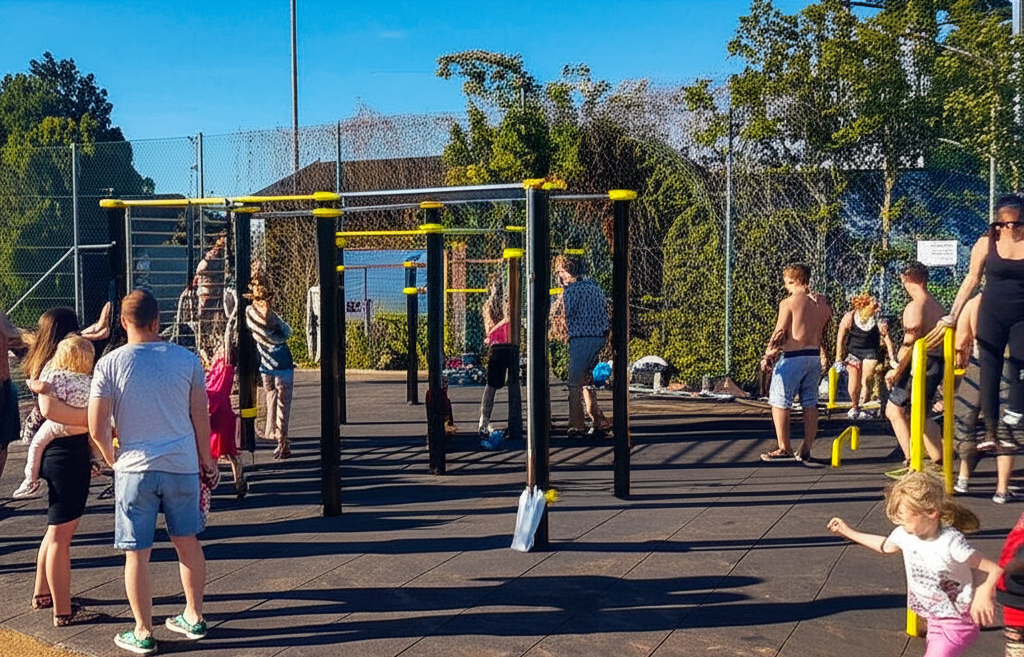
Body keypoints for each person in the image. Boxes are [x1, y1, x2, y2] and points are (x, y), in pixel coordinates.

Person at [89, 290, 217, 655]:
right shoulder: (187, 360)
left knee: (137, 554)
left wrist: (113, 460)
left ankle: (142, 631)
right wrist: (206, 460)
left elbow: (97, 428)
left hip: (134, 467)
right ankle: (193, 616)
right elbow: (200, 417)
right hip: (181, 465)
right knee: (188, 543)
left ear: (123, 322)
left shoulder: (109, 364)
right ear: (157, 320)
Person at [828, 471, 1000, 657]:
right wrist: (847, 531)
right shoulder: (905, 534)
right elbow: (884, 546)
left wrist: (984, 595)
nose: (901, 523)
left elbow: (992, 569)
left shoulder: (950, 543)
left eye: (905, 516)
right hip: (933, 618)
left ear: (931, 513)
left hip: (957, 621)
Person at [20, 306, 107, 627]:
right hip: (65, 457)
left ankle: (42, 593)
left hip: (58, 453)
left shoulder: (46, 361)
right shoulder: (58, 368)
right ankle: (63, 611)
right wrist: (98, 423)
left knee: (54, 530)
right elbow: (55, 411)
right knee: (61, 537)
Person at [947, 194, 1024, 453]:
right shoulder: (986, 243)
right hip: (992, 312)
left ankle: (1014, 413)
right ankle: (991, 431)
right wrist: (954, 314)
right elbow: (971, 279)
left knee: (1019, 363)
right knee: (989, 371)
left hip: (1021, 315)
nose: (1010, 228)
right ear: (997, 223)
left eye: (1015, 223)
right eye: (1004, 223)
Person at [759, 262, 832, 462]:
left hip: (793, 356)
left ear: (796, 281)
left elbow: (780, 332)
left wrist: (768, 355)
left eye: (788, 283)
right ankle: (807, 446)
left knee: (780, 401)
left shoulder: (788, 303)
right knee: (810, 402)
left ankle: (784, 447)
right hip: (813, 356)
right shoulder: (822, 303)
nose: (786, 287)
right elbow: (826, 332)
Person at [953, 292, 1019, 503]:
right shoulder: (1016, 302)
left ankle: (963, 478)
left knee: (967, 420)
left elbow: (961, 340)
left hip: (980, 361)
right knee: (1006, 426)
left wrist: (960, 366)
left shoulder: (973, 303)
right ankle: (1001, 489)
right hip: (1010, 362)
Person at [884, 262, 946, 476]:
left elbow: (910, 342)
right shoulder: (936, 306)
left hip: (919, 363)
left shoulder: (915, 306)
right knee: (923, 411)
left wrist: (896, 369)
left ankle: (912, 458)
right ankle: (938, 459)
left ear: (905, 279)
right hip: (936, 362)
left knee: (893, 409)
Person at [13, 335, 94, 499]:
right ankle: (96, 463)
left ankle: (30, 480)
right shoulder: (89, 379)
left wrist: (30, 382)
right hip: (85, 424)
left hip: (61, 423)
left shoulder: (57, 375)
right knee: (92, 442)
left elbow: (42, 387)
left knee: (37, 444)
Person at [550, 254, 611, 438]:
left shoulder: (571, 291)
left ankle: (577, 425)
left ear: (568, 272)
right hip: (598, 336)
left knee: (574, 382)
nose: (560, 276)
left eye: (561, 271)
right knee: (587, 382)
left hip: (581, 338)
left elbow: (561, 314)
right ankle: (598, 419)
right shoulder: (594, 287)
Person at [244, 271, 296, 459]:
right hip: (280, 359)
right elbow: (286, 331)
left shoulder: (251, 313)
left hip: (269, 362)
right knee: (281, 401)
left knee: (272, 397)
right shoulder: (272, 317)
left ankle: (277, 436)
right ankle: (282, 439)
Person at [834, 293, 896, 419]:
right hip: (853, 351)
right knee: (853, 381)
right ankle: (855, 405)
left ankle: (862, 405)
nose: (877, 309)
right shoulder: (850, 316)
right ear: (865, 305)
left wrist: (892, 358)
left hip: (870, 351)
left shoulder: (877, 319)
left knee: (865, 380)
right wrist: (838, 357)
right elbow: (840, 337)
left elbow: (887, 338)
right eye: (874, 306)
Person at [478, 274, 514, 438]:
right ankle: (484, 421)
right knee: (492, 385)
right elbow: (490, 327)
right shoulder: (490, 305)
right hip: (498, 346)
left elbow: (509, 318)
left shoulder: (506, 303)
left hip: (507, 344)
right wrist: (494, 331)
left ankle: (512, 420)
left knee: (511, 383)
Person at [997, 511, 1024, 656]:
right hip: (1016, 593)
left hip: (1011, 590)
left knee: (1016, 644)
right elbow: (1016, 563)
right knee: (1017, 642)